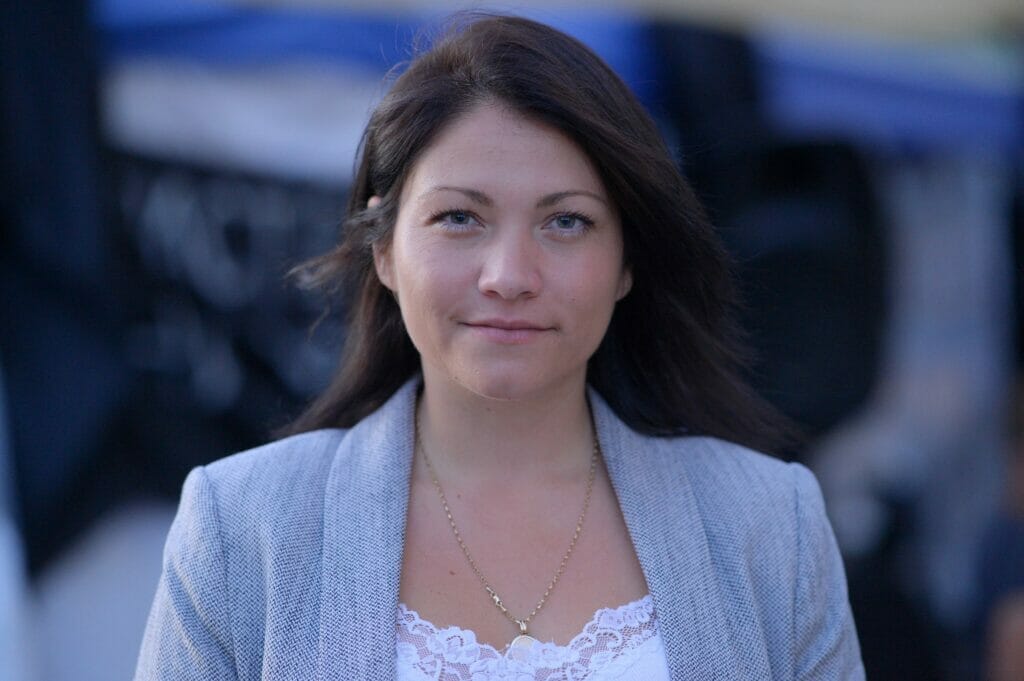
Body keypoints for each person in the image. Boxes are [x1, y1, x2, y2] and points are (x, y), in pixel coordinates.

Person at [134, 14, 863, 680]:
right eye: (459, 217)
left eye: (566, 222)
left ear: (627, 260)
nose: (509, 276)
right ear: (383, 247)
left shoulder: (770, 523)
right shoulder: (242, 526)